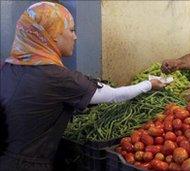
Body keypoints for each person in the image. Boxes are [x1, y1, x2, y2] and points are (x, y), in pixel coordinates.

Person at [0, 2, 166, 170]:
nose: (75, 37)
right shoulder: (55, 77)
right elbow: (114, 95)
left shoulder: (7, 67)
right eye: (71, 30)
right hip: (28, 165)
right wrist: (149, 84)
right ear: (53, 34)